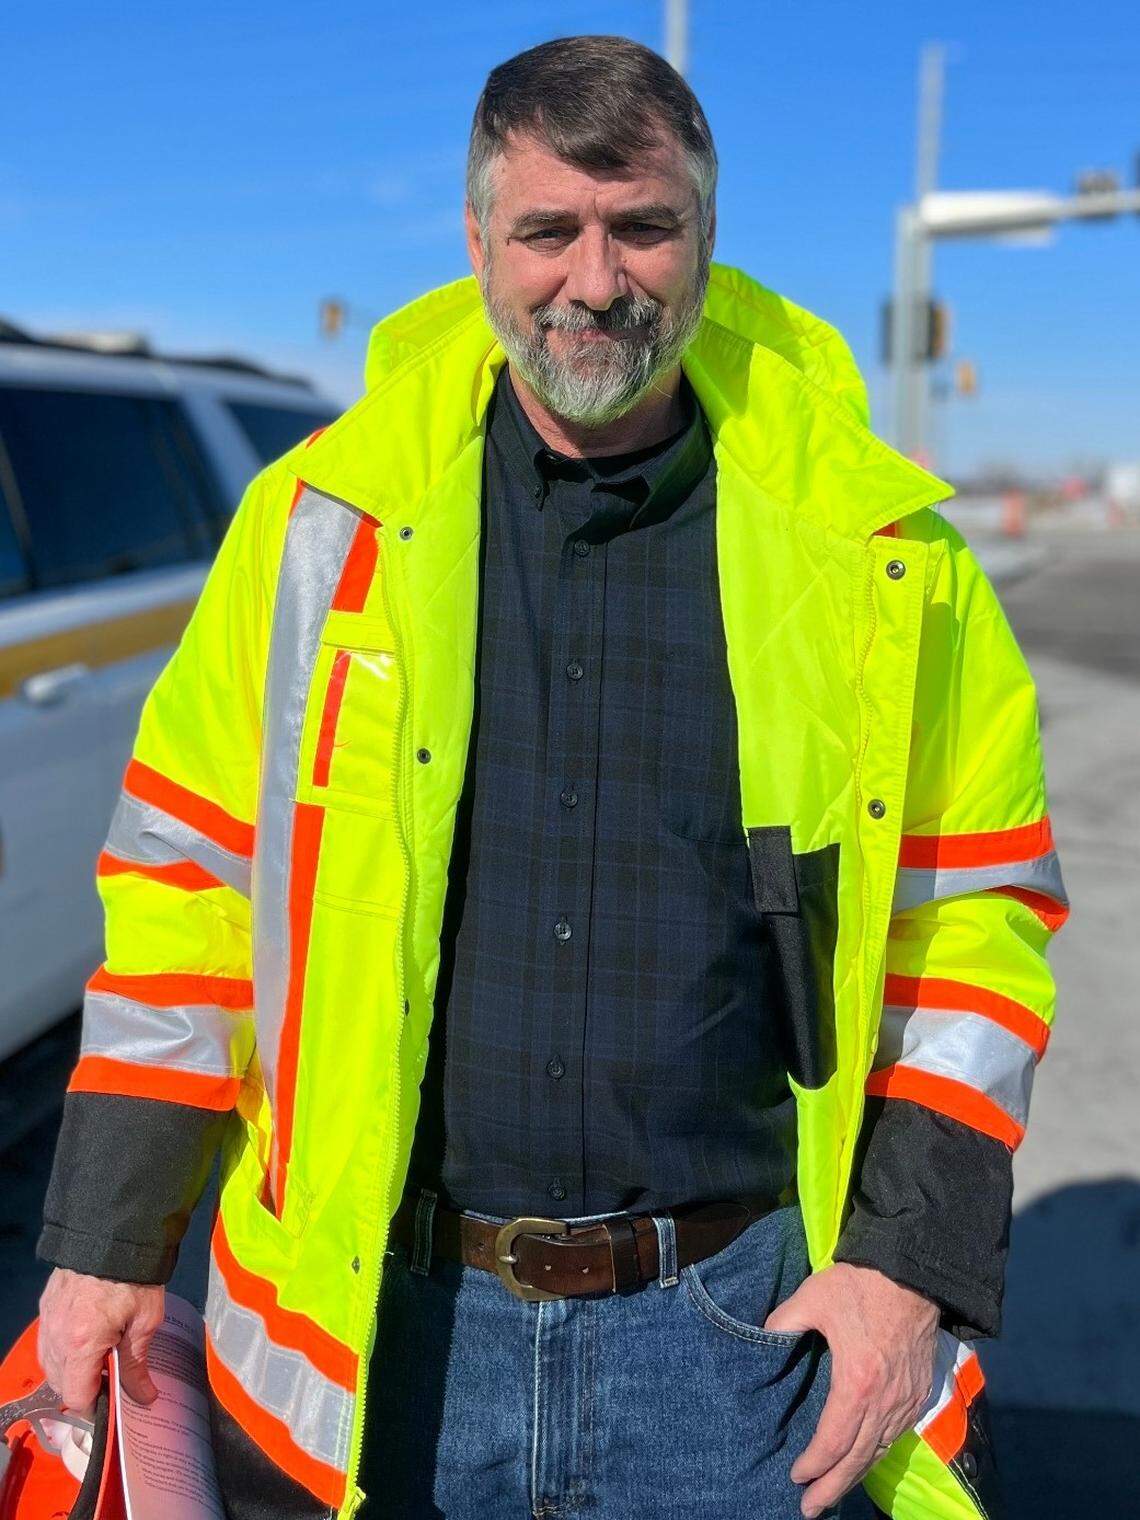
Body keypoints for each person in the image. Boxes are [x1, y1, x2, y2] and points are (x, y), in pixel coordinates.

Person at [34, 34, 1067, 1520]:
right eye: (548, 232)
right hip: (383, 1335)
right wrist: (107, 1243)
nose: (597, 279)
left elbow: (978, 926)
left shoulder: (880, 555)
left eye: (643, 226)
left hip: (737, 1347)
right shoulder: (319, 528)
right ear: (476, 241)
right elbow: (187, 894)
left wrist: (908, 1264)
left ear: (705, 233)